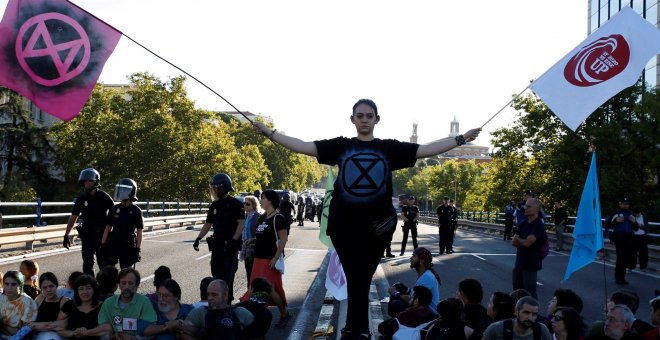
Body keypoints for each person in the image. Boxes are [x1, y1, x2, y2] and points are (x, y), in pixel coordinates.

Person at [252, 98, 480, 339]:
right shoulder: (341, 146)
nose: (364, 120)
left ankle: (355, 328)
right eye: (359, 116)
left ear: (376, 119)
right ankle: (356, 329)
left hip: (377, 228)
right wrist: (270, 133)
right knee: (355, 277)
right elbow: (302, 145)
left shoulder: (388, 149)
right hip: (344, 226)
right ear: (352, 119)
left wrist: (461, 138)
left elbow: (425, 149)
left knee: (361, 277)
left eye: (368, 116)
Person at [192, 172, 244, 303]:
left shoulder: (235, 204)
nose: (215, 191)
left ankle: (227, 303)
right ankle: (217, 302)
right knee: (216, 274)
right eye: (213, 188)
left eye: (217, 188)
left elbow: (241, 223)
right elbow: (208, 224)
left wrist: (234, 239)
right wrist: (198, 238)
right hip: (217, 245)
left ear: (224, 187)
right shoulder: (214, 205)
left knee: (227, 277)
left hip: (230, 246)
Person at [241, 189, 290, 328]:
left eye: (263, 198)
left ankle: (284, 314)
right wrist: (252, 241)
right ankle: (258, 316)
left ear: (270, 200)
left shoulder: (278, 218)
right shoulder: (262, 218)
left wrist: (275, 258)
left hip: (270, 260)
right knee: (255, 288)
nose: (261, 200)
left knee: (271, 290)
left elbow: (283, 239)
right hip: (258, 259)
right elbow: (261, 236)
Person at [63, 168, 115, 276]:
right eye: (85, 181)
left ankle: (105, 289)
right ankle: (90, 288)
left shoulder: (104, 197)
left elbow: (115, 214)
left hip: (101, 235)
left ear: (96, 181)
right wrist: (66, 235)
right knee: (87, 264)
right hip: (87, 235)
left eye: (89, 181)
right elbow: (73, 217)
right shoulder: (81, 198)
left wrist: (114, 231)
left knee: (103, 263)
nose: (87, 183)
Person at [182, 279, 254, 339]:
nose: (210, 298)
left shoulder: (240, 312)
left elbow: (257, 335)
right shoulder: (201, 312)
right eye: (208, 294)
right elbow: (182, 332)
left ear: (225, 295)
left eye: (214, 294)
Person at [97, 268, 157, 338]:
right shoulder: (108, 303)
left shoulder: (144, 302)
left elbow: (151, 330)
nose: (127, 286)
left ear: (137, 285)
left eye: (130, 283)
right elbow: (102, 331)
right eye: (123, 283)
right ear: (119, 284)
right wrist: (115, 336)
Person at [100, 178, 143, 269]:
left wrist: (137, 249)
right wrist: (103, 244)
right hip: (113, 243)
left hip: (127, 245)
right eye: (120, 189)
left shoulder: (136, 211)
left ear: (131, 192)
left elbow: (139, 231)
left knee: (126, 271)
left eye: (124, 190)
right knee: (108, 270)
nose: (121, 192)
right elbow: (108, 227)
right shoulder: (114, 209)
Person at [387, 247, 441, 317]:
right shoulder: (425, 273)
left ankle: (398, 324)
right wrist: (405, 289)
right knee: (399, 287)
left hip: (428, 313)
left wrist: (395, 293)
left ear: (422, 261)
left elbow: (412, 301)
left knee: (396, 304)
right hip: (421, 307)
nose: (411, 258)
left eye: (414, 256)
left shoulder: (427, 277)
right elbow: (415, 295)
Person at [512, 198, 547, 299]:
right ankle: (517, 313)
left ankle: (533, 313)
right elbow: (514, 242)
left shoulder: (538, 225)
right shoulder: (523, 223)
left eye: (528, 206)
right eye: (525, 206)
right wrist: (522, 241)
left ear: (536, 209)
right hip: (519, 262)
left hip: (531, 264)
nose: (525, 208)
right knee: (517, 291)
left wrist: (520, 240)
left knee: (529, 293)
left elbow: (527, 243)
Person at [58, 274, 108, 339]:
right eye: (81, 289)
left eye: (88, 288)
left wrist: (86, 333)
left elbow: (107, 328)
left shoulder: (103, 306)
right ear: (77, 291)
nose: (85, 292)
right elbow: (59, 328)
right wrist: (73, 333)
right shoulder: (69, 305)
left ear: (94, 290)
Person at [482, 296, 552, 340]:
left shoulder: (542, 331)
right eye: (526, 313)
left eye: (534, 314)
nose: (530, 318)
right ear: (516, 311)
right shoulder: (496, 329)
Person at [26, 272, 69, 339]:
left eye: (51, 286)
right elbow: (29, 321)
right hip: (38, 335)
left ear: (56, 286)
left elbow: (65, 324)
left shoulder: (65, 301)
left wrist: (39, 325)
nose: (48, 290)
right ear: (41, 289)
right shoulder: (39, 299)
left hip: (57, 335)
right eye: (45, 288)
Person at [606, 197, 636, 285]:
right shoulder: (616, 213)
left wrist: (634, 222)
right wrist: (616, 221)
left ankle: (622, 277)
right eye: (624, 203)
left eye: (627, 204)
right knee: (621, 257)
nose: (626, 205)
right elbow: (607, 225)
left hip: (629, 237)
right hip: (619, 237)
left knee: (626, 257)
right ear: (620, 204)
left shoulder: (631, 214)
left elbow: (636, 228)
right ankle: (618, 277)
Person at [0, 271, 38, 337]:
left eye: (13, 284)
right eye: (6, 284)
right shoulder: (1, 297)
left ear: (20, 285)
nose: (9, 288)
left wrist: (3, 326)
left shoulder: (28, 303)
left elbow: (24, 333)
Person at [240, 195, 261, 283]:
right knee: (248, 271)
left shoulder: (257, 216)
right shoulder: (247, 216)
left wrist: (252, 240)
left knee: (252, 272)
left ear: (254, 205)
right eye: (244, 203)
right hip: (246, 247)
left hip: (254, 248)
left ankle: (252, 291)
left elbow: (260, 234)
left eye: (247, 204)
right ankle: (249, 291)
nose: (245, 206)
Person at [632, 207, 649, 273]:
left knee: (643, 253)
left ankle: (643, 267)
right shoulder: (632, 217)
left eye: (638, 213)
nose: (637, 215)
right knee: (633, 253)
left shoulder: (644, 217)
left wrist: (641, 226)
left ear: (640, 213)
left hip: (642, 237)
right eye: (636, 213)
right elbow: (632, 226)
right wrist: (636, 225)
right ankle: (631, 267)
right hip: (634, 237)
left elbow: (647, 228)